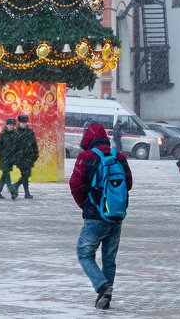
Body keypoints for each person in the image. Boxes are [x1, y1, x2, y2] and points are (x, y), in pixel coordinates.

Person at [69, 121, 133, 310]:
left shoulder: (86, 157)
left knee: (84, 253)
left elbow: (75, 185)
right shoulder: (118, 156)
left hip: (95, 216)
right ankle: (106, 298)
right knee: (109, 259)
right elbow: (128, 183)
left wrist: (86, 204)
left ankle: (102, 286)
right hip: (116, 214)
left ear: (87, 138)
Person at [0, 116, 20, 199]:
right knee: (7, 176)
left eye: (13, 125)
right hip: (4, 160)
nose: (11, 126)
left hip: (11, 160)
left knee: (4, 176)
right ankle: (12, 192)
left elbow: (18, 148)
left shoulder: (16, 135)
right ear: (6, 125)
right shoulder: (2, 135)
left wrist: (17, 158)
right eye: (10, 125)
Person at [16, 114, 39, 199]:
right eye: (22, 122)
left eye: (25, 122)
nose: (24, 124)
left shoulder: (30, 132)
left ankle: (17, 184)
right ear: (19, 122)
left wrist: (36, 154)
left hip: (29, 157)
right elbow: (13, 146)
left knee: (27, 174)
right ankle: (26, 192)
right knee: (25, 174)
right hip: (20, 157)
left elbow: (34, 144)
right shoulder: (16, 132)